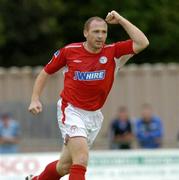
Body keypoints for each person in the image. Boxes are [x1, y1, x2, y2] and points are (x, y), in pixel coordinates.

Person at [27, 10, 149, 180]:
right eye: (96, 32)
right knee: (81, 159)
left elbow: (143, 42)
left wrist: (120, 19)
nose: (100, 36)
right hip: (71, 110)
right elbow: (45, 72)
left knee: (65, 166)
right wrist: (35, 98)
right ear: (85, 33)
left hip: (94, 116)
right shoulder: (69, 51)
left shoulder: (113, 53)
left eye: (104, 32)